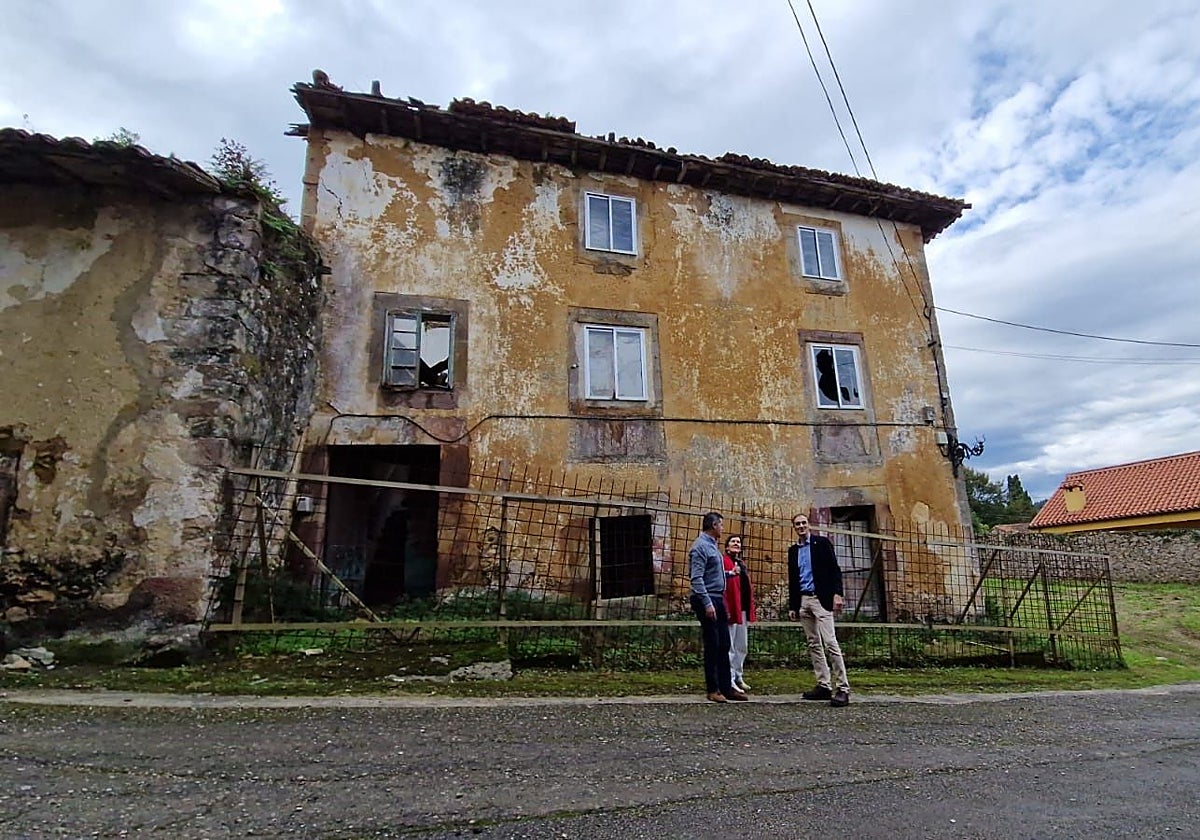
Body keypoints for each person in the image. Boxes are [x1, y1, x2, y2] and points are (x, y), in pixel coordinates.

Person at [787, 513, 850, 707]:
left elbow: (834, 569)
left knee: (830, 642)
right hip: (804, 600)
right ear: (794, 528)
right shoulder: (793, 551)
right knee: (813, 643)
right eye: (797, 524)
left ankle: (843, 688)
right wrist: (793, 605)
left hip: (820, 599)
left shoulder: (821, 544)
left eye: (804, 523)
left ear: (809, 525)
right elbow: (793, 578)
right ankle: (823, 684)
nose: (801, 526)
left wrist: (837, 594)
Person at [688, 511, 748, 703]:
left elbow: (713, 571)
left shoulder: (712, 546)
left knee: (724, 643)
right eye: (721, 525)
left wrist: (729, 574)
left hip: (718, 598)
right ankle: (712, 688)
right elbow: (696, 578)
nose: (723, 528)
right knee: (713, 644)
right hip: (708, 599)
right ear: (714, 526)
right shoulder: (700, 547)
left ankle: (726, 686)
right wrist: (706, 603)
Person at [723, 534, 755, 693]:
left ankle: (738, 675)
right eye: (733, 541)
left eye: (738, 542)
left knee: (742, 645)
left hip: (742, 608)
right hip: (731, 608)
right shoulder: (724, 561)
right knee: (730, 645)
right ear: (727, 546)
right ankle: (728, 679)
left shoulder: (741, 564)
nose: (736, 544)